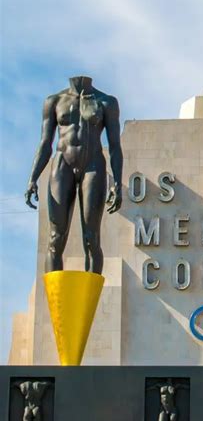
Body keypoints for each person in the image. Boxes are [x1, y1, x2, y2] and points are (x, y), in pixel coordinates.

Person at [25, 76, 123, 274]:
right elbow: (45, 143)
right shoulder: (54, 101)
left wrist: (118, 182)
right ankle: (56, 302)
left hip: (93, 165)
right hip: (63, 164)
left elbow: (114, 146)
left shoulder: (106, 102)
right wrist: (32, 178)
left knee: (92, 238)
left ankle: (89, 301)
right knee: (56, 237)